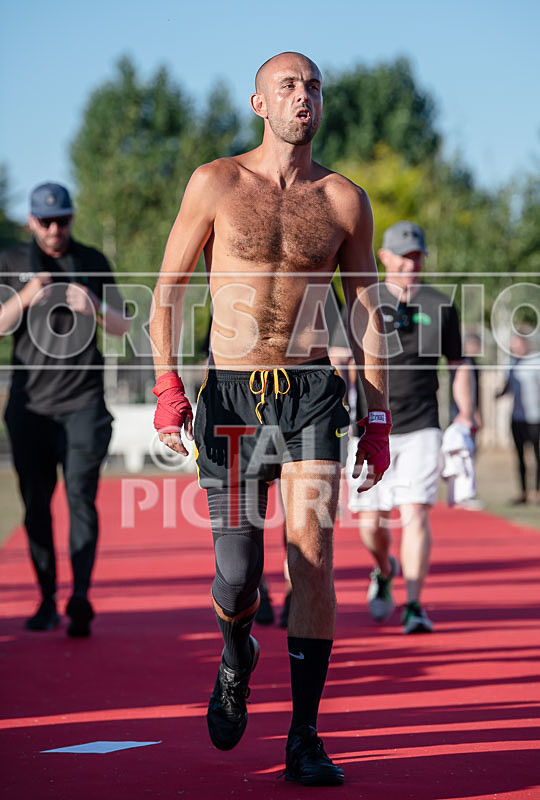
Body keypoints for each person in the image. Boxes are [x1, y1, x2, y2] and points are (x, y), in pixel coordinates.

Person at [149, 52, 391, 786]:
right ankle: (235, 653)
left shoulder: (345, 199)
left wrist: (376, 415)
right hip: (230, 396)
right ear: (259, 103)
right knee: (237, 574)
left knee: (312, 557)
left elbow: (366, 310)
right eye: (288, 85)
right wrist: (167, 385)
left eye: (313, 85)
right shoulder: (216, 183)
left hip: (313, 392)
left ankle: (305, 738)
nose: (303, 95)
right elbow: (167, 292)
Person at [0, 182, 130, 636]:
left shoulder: (92, 261)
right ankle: (45, 599)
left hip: (83, 405)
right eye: (45, 221)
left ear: (73, 218)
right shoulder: (12, 262)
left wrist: (93, 306)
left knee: (80, 501)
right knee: (36, 506)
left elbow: (123, 325)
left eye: (63, 220)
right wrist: (25, 295)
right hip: (30, 407)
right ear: (31, 220)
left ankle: (80, 596)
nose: (55, 229)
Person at [348, 221, 476, 635]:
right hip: (369, 426)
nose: (409, 263)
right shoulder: (362, 302)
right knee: (371, 524)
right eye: (402, 256)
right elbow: (343, 364)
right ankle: (384, 570)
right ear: (384, 257)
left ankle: (415, 605)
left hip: (422, 425)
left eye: (416, 256)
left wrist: (465, 413)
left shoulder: (441, 305)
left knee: (416, 514)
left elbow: (459, 367)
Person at [496, 334, 540, 504]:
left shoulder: (536, 361)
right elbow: (508, 385)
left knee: (536, 456)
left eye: (517, 345)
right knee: (519, 456)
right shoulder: (511, 363)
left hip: (535, 417)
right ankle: (522, 492)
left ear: (525, 344)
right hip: (517, 417)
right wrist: (500, 393)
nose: (514, 348)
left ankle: (536, 491)